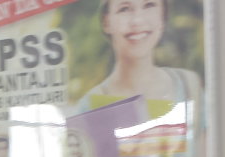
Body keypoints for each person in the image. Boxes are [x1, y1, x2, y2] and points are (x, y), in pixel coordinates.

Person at [76, 0, 204, 120]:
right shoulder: (89, 107)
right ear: (106, 22)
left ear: (162, 15)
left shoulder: (188, 86)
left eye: (149, 5)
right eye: (124, 9)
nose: (138, 20)